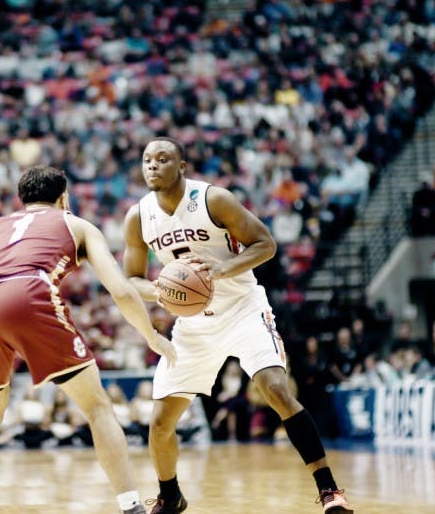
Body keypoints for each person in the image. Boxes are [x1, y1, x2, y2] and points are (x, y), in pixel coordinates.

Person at [0, 165, 177, 514]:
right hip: (27, 294)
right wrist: (152, 336)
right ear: (64, 198)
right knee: (97, 407)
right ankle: (131, 507)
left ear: (21, 200)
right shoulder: (77, 225)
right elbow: (121, 290)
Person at [123, 138, 353, 513]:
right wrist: (161, 290)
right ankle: (170, 495)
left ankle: (329, 490)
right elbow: (132, 279)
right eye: (147, 159)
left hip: (243, 309)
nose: (153, 166)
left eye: (163, 159)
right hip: (193, 324)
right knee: (161, 422)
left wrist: (222, 270)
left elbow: (266, 243)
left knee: (275, 388)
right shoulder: (139, 216)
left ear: (181, 166)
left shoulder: (214, 200)